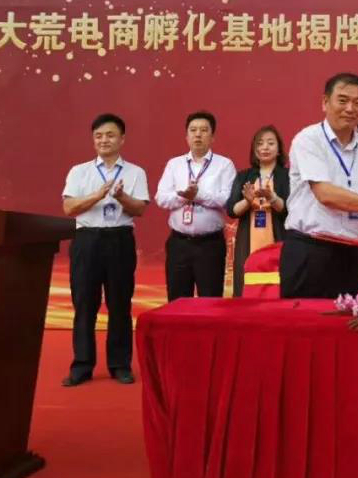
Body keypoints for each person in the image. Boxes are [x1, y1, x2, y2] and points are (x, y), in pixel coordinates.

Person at [282, 72, 358, 298]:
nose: (350, 108)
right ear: (325, 102)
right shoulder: (308, 139)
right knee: (305, 318)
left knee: (352, 317)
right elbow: (326, 194)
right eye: (343, 100)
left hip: (352, 253)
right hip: (310, 250)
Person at [60, 113, 150, 386]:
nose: (104, 140)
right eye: (98, 136)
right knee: (84, 304)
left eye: (110, 135)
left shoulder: (135, 172)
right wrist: (96, 195)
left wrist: (121, 196)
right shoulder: (79, 171)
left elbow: (140, 209)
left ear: (122, 139)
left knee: (120, 304)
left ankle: (120, 364)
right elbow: (69, 208)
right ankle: (82, 365)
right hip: (87, 240)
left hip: (119, 240)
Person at [155, 111, 237, 301]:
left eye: (203, 130)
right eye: (193, 130)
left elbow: (227, 200)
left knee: (210, 301)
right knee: (177, 301)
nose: (198, 134)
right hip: (179, 243)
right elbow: (161, 198)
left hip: (210, 245)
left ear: (212, 136)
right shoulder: (174, 164)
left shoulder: (224, 165)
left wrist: (198, 196)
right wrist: (184, 197)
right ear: (186, 136)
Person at [225, 125, 290, 296]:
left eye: (270, 143)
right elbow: (231, 210)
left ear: (279, 149)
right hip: (248, 240)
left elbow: (291, 209)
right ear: (254, 150)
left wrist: (272, 197)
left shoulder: (287, 176)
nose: (265, 147)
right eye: (260, 144)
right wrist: (247, 201)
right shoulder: (244, 176)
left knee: (279, 288)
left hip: (279, 237)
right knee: (247, 287)